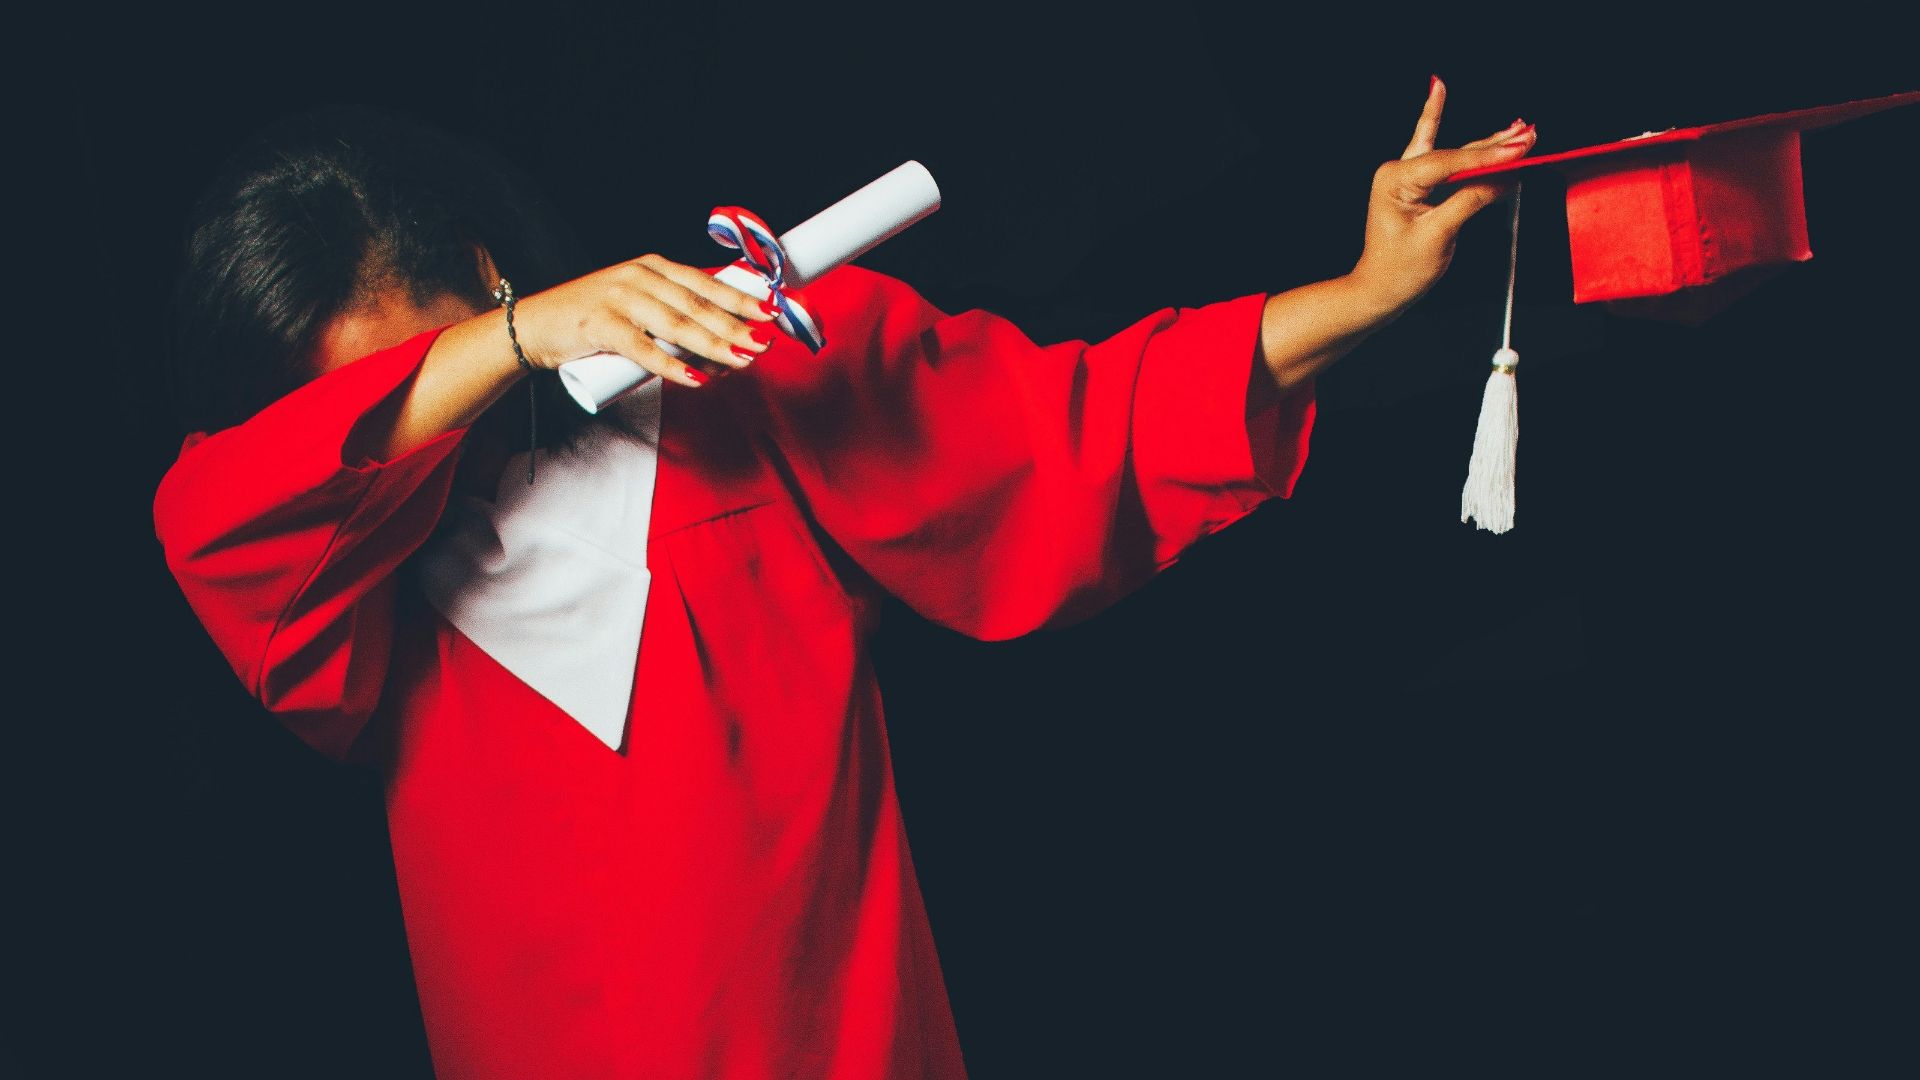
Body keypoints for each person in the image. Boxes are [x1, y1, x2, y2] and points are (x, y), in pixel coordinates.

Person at [155, 82, 1535, 1079]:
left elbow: (1078, 429)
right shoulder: (324, 579)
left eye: (429, 359)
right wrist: (504, 342)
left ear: (480, 269)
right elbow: (223, 508)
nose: (424, 433)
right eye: (390, 405)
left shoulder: (749, 394)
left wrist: (1365, 293)